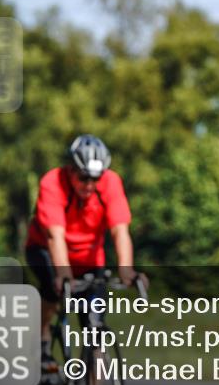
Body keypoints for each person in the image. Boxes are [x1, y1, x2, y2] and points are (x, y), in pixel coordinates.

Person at [24, 134, 139, 371]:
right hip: (46, 249)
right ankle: (43, 342)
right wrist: (63, 275)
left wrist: (126, 269)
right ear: (70, 169)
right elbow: (54, 235)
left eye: (95, 179)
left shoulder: (111, 183)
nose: (89, 185)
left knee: (94, 323)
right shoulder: (52, 183)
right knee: (52, 290)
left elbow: (120, 231)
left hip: (88, 257)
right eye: (83, 177)